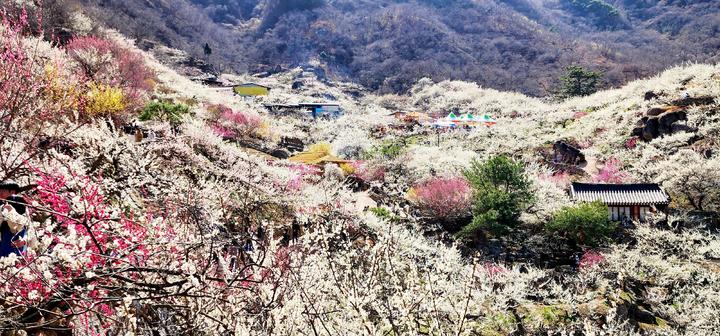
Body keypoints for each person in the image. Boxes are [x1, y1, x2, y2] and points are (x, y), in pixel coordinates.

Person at [0, 181, 28, 258]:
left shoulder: (21, 204)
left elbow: (29, 226)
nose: (0, 192)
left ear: (12, 192)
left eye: (3, 190)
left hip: (14, 240)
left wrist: (25, 240)